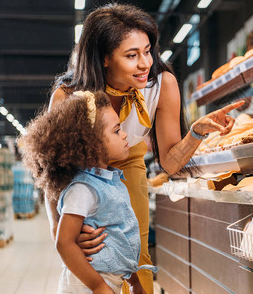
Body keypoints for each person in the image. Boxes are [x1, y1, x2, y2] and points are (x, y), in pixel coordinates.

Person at [48, 3, 244, 294]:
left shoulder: (161, 85)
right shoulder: (69, 96)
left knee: (135, 250)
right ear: (104, 59)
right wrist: (58, 231)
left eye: (147, 50)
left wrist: (196, 132)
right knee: (89, 251)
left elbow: (170, 161)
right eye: (131, 55)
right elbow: (52, 172)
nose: (145, 63)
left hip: (129, 161)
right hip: (78, 172)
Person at [21, 91, 156, 293]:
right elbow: (64, 243)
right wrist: (98, 286)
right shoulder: (83, 189)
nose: (124, 134)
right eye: (116, 130)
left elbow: (120, 237)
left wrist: (134, 281)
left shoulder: (111, 181)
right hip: (85, 283)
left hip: (106, 280)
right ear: (92, 144)